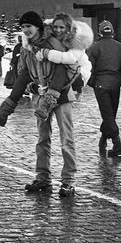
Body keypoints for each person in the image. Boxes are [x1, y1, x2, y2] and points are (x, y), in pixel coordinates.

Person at [18, 12, 92, 197]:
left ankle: (68, 180)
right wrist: (32, 86)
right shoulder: (30, 47)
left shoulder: (63, 45)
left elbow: (74, 67)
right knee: (42, 138)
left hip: (63, 97)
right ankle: (42, 177)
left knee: (66, 138)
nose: (26, 29)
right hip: (41, 97)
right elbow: (25, 71)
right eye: (23, 26)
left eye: (30, 26)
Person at [86, 20, 121, 156]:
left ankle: (117, 144)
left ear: (99, 32)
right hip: (115, 83)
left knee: (107, 114)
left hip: (100, 84)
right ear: (113, 32)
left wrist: (92, 82)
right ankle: (104, 140)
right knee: (111, 114)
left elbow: (88, 68)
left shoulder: (94, 48)